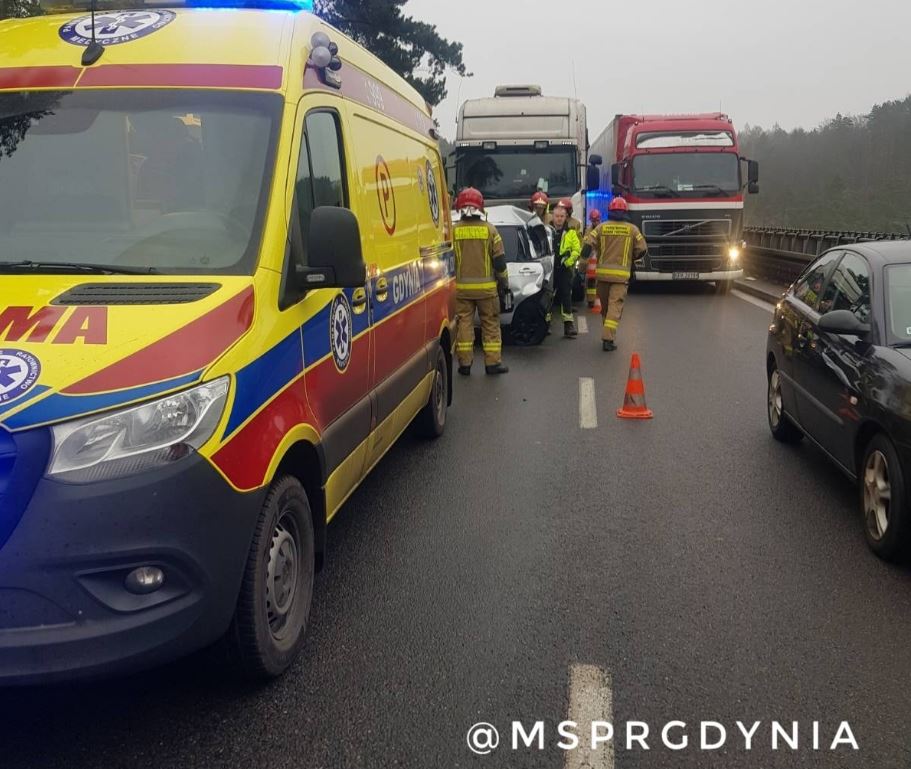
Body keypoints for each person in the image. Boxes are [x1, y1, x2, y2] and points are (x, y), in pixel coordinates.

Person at [453, 187, 510, 375]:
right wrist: (504, 285)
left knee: (464, 325)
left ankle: (465, 364)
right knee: (490, 324)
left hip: (461, 290)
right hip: (487, 291)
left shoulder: (453, 232)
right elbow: (500, 263)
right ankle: (492, 363)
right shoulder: (491, 230)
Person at [581, 197, 647, 352]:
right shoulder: (633, 229)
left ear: (609, 211)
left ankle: (607, 334)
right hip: (621, 277)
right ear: (625, 212)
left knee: (605, 308)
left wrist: (583, 264)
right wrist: (632, 259)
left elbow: (587, 247)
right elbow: (643, 249)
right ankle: (608, 339)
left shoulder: (601, 228)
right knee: (614, 308)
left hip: (602, 276)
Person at [551, 202, 582, 338]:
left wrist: (567, 262)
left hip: (564, 269)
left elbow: (577, 250)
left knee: (565, 296)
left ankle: (568, 325)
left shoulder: (571, 233)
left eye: (561, 216)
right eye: (557, 216)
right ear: (553, 216)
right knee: (547, 297)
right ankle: (545, 325)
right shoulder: (546, 231)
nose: (559, 219)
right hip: (549, 269)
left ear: (565, 217)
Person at [583, 209, 602, 307]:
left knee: (600, 281)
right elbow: (586, 242)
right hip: (591, 258)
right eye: (593, 220)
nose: (595, 222)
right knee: (591, 281)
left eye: (597, 220)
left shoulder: (603, 228)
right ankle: (591, 300)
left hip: (601, 258)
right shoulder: (588, 230)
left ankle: (600, 301)